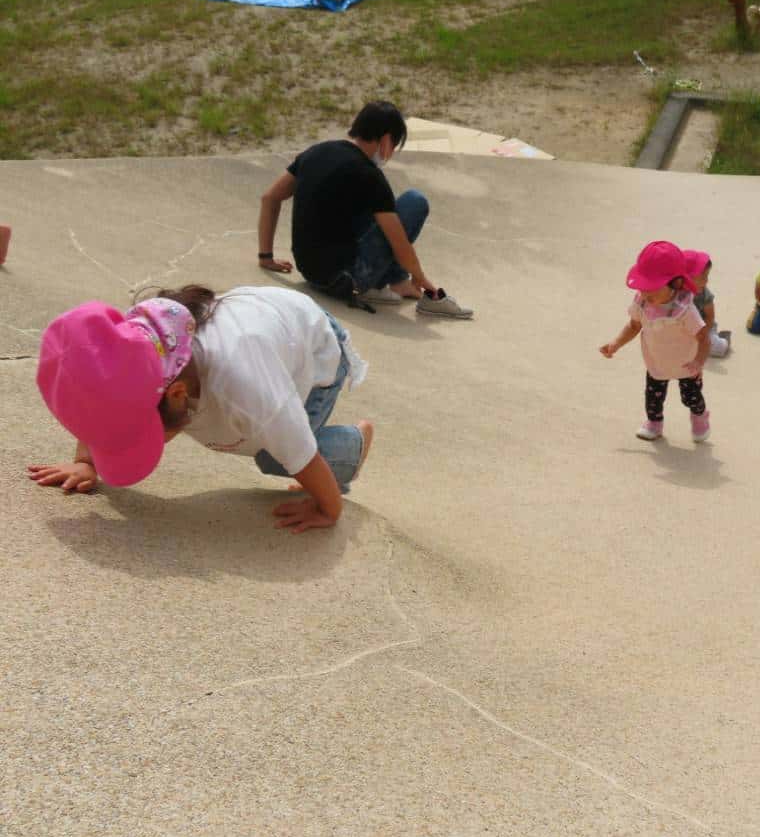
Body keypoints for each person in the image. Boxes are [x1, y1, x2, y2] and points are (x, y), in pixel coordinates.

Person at [29, 284, 374, 534]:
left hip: (315, 345)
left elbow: (300, 451)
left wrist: (329, 509)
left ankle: (352, 444)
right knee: (260, 437)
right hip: (262, 319)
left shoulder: (247, 388)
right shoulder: (138, 357)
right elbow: (96, 402)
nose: (123, 445)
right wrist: (86, 461)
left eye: (134, 436)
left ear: (178, 395)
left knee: (273, 455)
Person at [257, 100, 472, 318]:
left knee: (368, 208)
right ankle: (386, 284)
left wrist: (266, 257)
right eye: (394, 146)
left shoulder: (316, 152)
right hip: (346, 279)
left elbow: (270, 198)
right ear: (386, 140)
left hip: (309, 272)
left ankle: (397, 282)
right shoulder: (370, 176)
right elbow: (400, 245)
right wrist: (424, 283)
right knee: (414, 202)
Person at [600, 241, 711, 442]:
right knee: (653, 399)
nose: (645, 294)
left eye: (652, 288)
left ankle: (700, 415)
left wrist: (699, 362)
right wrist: (615, 344)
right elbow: (634, 326)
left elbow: (703, 337)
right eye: (643, 288)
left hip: (687, 363)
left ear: (676, 284)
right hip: (657, 362)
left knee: (691, 398)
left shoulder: (684, 310)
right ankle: (654, 423)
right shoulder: (642, 301)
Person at [683, 249, 731, 358]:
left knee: (718, 348)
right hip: (683, 328)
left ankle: (725, 338)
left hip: (704, 327)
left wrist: (702, 335)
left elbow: (710, 317)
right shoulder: (675, 293)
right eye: (703, 277)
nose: (706, 281)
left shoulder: (704, 293)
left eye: (707, 276)